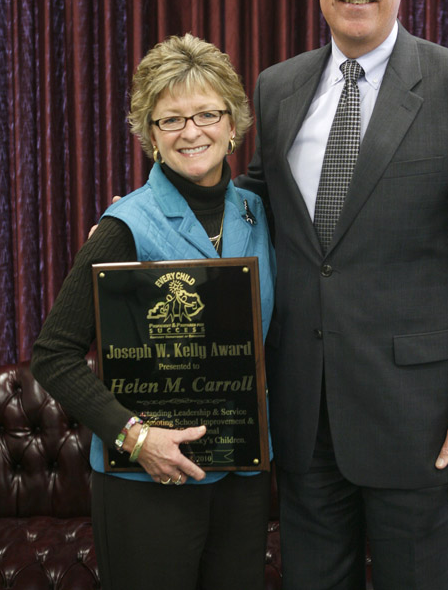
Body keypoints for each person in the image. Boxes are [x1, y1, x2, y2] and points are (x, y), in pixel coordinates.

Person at [240, 0, 448, 589]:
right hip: (306, 421)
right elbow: (252, 206)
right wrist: (141, 213)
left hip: (420, 428)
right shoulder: (275, 91)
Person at [31, 33, 276, 590]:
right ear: (150, 135)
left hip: (241, 476)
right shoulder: (124, 227)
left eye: (207, 113)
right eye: (171, 120)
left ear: (233, 123)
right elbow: (54, 355)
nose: (192, 132)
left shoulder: (260, 214)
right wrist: (137, 438)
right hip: (146, 481)